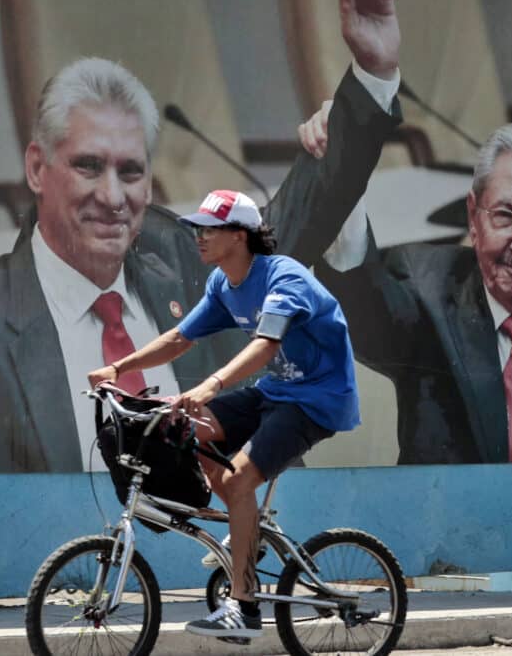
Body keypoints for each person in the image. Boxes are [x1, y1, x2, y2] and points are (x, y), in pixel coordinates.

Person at [0, 0, 402, 473]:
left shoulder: (179, 258)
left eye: (130, 171)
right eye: (88, 166)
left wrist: (371, 74)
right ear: (36, 170)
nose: (113, 197)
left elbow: (294, 219)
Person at [89, 189, 361, 639]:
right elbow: (180, 337)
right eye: (197, 228)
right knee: (185, 427)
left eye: (209, 229)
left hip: (317, 402)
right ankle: (245, 529)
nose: (198, 237)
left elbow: (266, 343)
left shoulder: (283, 278)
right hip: (274, 392)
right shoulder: (223, 284)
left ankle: (246, 607)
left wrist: (212, 384)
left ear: (240, 235)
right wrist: (119, 368)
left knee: (237, 481)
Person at [286, 117, 512, 464]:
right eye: (505, 216)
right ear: (473, 217)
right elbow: (366, 310)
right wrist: (342, 180)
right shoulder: (429, 288)